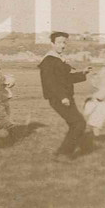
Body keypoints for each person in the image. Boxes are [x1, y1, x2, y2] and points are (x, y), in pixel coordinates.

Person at [38, 31, 92, 160]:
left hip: (65, 97)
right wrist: (63, 97)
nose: (62, 45)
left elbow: (66, 78)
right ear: (52, 44)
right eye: (59, 42)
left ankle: (63, 153)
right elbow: (50, 83)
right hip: (59, 98)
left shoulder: (59, 60)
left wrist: (83, 73)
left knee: (76, 124)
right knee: (79, 124)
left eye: (64, 43)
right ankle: (63, 154)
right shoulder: (49, 61)